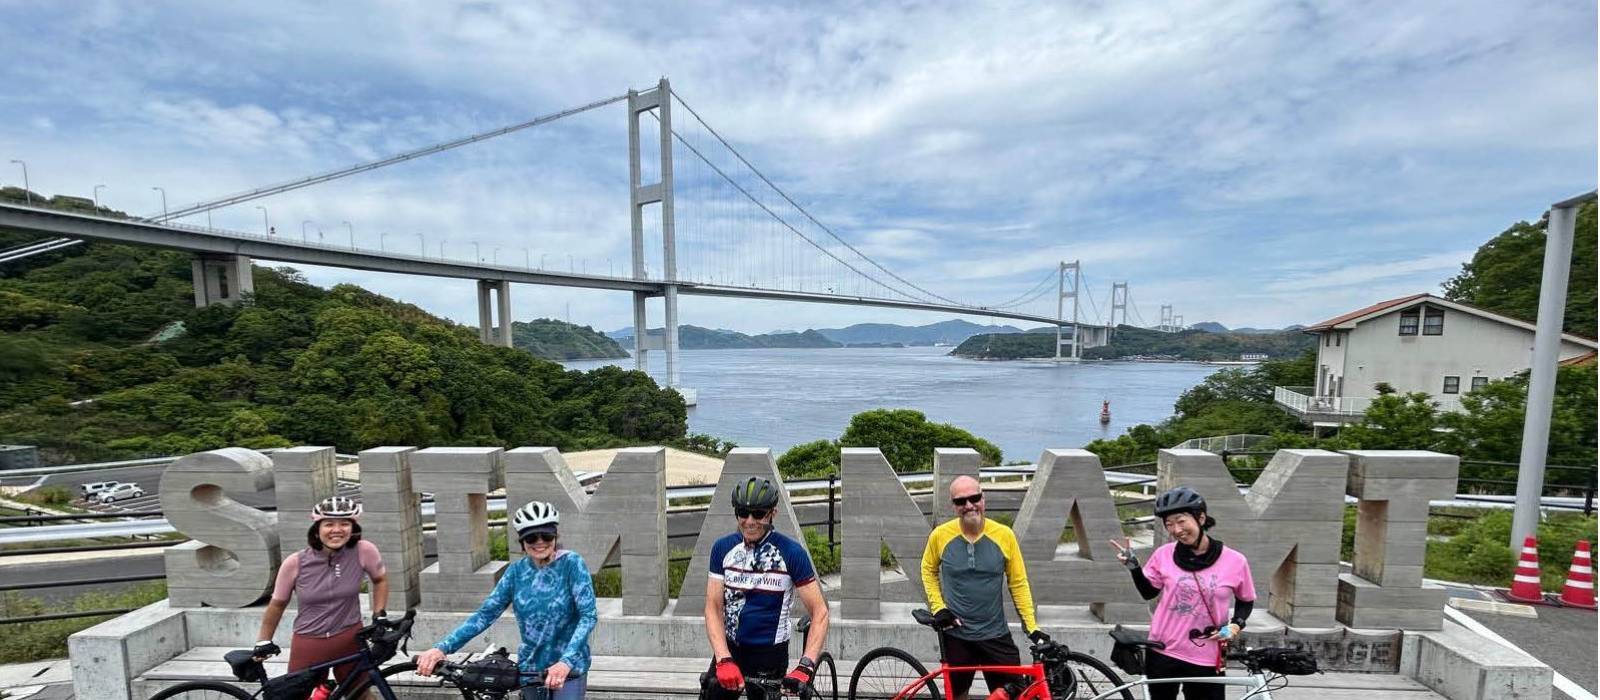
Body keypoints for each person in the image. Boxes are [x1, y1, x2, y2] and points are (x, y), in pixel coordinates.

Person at [416, 501, 597, 700]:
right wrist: (441, 647)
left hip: (568, 669)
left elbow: (588, 616)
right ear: (522, 542)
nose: (539, 542)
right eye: (531, 537)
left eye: (546, 535)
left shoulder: (572, 564)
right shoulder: (516, 572)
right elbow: (485, 615)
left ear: (555, 536)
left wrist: (566, 662)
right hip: (530, 669)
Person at [1109, 487, 1256, 700]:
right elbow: (1149, 592)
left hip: (1207, 656)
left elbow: (1246, 600)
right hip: (1162, 651)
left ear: (1201, 518)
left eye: (1181, 521)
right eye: (1169, 524)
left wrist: (1236, 625)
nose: (1176, 529)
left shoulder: (1235, 561)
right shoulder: (1164, 554)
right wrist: (1134, 567)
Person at [920, 475, 1049, 700]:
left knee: (1013, 694)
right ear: (953, 506)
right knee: (958, 695)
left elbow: (1018, 583)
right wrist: (939, 608)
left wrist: (1032, 627)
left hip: (995, 634)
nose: (969, 505)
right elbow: (927, 570)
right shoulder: (940, 536)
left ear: (983, 498)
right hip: (956, 634)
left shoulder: (1004, 535)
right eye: (961, 501)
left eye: (974, 498)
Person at [702, 476, 830, 699]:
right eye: (743, 513)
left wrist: (805, 666)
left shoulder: (791, 553)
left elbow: (820, 612)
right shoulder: (722, 549)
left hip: (769, 655)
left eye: (759, 514)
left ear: (773, 513)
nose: (749, 521)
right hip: (730, 649)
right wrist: (722, 658)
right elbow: (713, 608)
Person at [255, 496, 389, 691]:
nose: (337, 530)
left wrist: (379, 615)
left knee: (360, 694)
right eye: (328, 524)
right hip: (309, 641)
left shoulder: (364, 551)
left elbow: (380, 580)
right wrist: (263, 640)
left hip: (350, 637)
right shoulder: (295, 562)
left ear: (353, 529)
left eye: (344, 523)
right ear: (317, 530)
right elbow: (277, 604)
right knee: (297, 695)